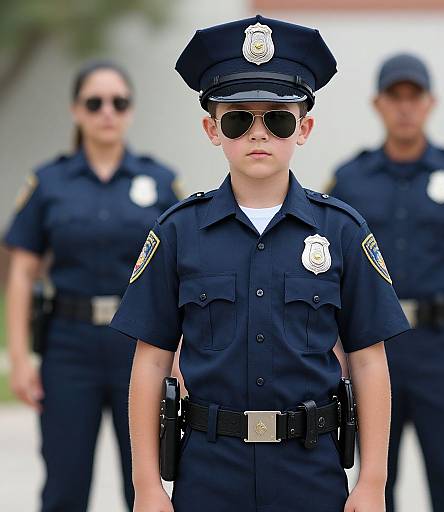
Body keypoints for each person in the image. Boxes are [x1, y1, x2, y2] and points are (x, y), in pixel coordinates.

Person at [110, 15, 410, 512]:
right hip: (209, 469)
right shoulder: (178, 232)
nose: (258, 133)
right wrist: (146, 487)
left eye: (278, 118)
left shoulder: (342, 231)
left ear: (304, 128)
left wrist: (373, 482)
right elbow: (151, 362)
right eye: (237, 118)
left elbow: (368, 360)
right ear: (212, 129)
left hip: (309, 470)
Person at [327, 53, 444, 512]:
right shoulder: (350, 181)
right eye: (395, 97)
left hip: (440, 349)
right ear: (378, 104)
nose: (405, 107)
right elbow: (328, 268)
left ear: (430, 103)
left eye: (415, 97)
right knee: (374, 483)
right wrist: (333, 347)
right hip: (372, 347)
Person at [4, 59, 181, 512]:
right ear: (76, 110)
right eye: (95, 102)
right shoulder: (49, 182)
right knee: (65, 484)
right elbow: (22, 272)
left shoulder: (160, 182)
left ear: (130, 111)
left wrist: (180, 355)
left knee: (145, 485)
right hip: (69, 347)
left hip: (138, 347)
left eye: (119, 102)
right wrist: (21, 359)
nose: (107, 111)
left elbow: (181, 273)